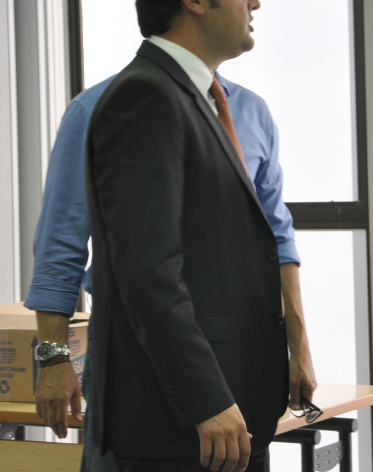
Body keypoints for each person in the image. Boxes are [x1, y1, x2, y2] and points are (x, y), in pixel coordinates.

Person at [83, 0, 314, 471]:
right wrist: (204, 397)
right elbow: (148, 272)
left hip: (227, 408)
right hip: (182, 423)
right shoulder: (146, 97)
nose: (254, 2)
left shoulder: (198, 95)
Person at [24, 69, 299, 471]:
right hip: (136, 351)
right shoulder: (99, 107)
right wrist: (52, 357)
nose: (253, 11)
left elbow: (277, 237)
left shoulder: (251, 110)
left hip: (242, 352)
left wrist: (299, 349)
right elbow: (61, 240)